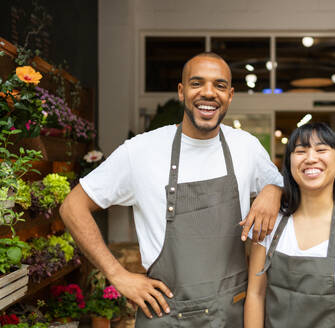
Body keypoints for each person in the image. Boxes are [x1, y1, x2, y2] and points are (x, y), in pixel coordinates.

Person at [60, 52, 283, 327]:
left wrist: (273, 189)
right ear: (181, 91)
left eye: (220, 85)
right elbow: (72, 207)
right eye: (197, 83)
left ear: (231, 95)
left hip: (231, 314)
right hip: (166, 316)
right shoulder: (140, 150)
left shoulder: (246, 147)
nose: (209, 93)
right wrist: (117, 275)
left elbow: (283, 186)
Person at [245, 122, 335, 328]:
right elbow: (255, 295)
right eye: (300, 151)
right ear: (290, 163)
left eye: (321, 150)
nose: (311, 159)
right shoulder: (270, 223)